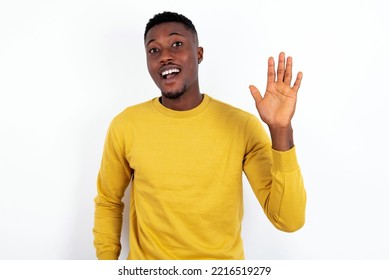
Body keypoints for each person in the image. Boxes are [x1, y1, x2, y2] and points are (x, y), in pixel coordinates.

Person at [93, 11, 306, 260]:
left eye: (177, 44)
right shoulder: (126, 125)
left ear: (199, 54)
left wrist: (280, 129)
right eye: (154, 50)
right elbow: (108, 201)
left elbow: (289, 220)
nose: (165, 56)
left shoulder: (242, 126)